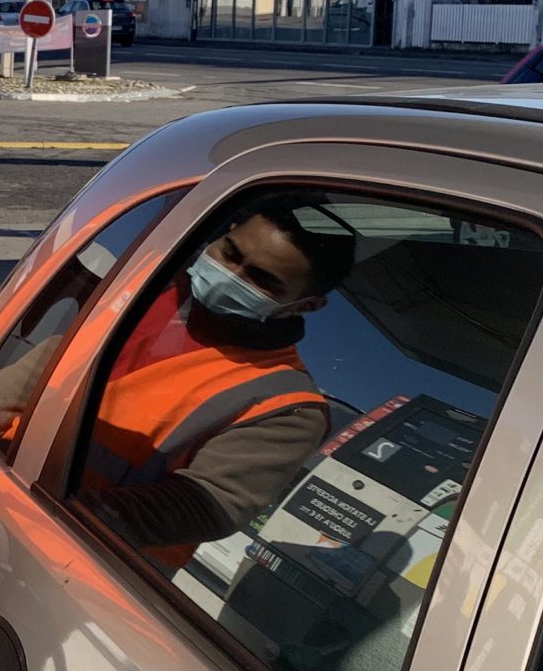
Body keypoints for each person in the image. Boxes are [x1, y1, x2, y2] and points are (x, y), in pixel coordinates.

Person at [75, 200, 353, 570]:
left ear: (307, 305)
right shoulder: (154, 296)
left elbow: (207, 504)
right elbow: (38, 374)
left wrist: (61, 507)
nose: (230, 274)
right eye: (229, 253)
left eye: (260, 279)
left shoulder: (289, 405)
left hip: (90, 559)